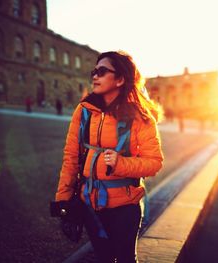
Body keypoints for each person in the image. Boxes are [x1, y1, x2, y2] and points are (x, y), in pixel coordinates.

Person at [55, 51, 164, 263]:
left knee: (125, 259)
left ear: (120, 79)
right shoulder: (84, 111)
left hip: (125, 206)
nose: (95, 76)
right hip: (90, 205)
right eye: (94, 71)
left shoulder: (140, 117)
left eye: (102, 71)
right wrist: (63, 198)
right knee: (103, 257)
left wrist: (120, 163)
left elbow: (154, 162)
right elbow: (71, 157)